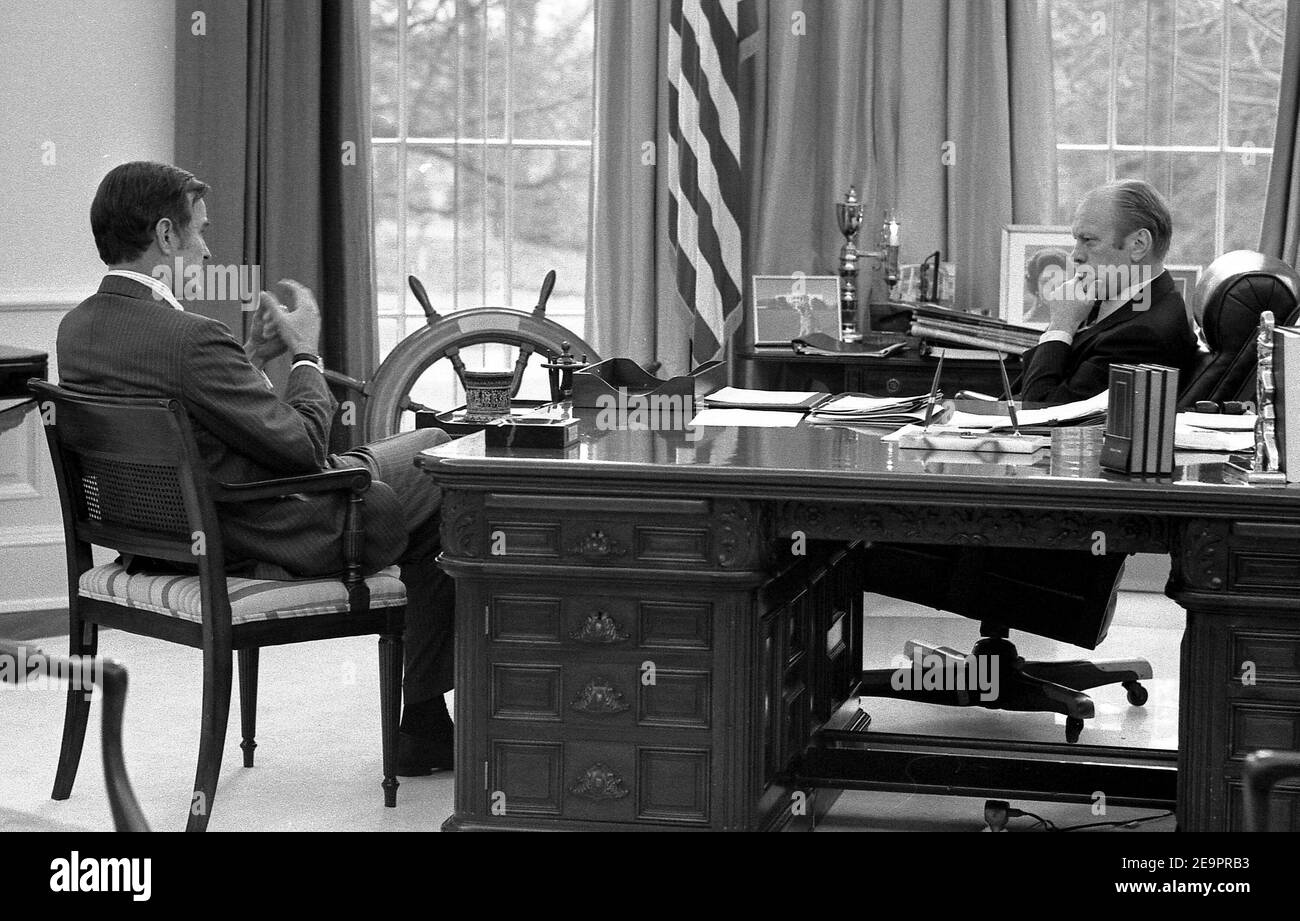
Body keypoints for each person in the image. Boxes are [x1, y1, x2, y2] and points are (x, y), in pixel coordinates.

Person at [57, 161, 453, 775]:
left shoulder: (78, 328)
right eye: (200, 232)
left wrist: (249, 358)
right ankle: (426, 718)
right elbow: (305, 451)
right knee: (444, 461)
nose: (210, 248)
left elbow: (189, 420)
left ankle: (427, 724)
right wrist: (306, 353)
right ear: (166, 237)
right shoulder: (189, 337)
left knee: (427, 450)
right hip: (264, 526)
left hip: (165, 534)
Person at [867, 179, 1201, 655]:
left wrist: (1060, 324)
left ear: (1139, 245)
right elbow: (1038, 399)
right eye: (1075, 242)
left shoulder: (1145, 330)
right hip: (1046, 498)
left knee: (860, 526)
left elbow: (1043, 417)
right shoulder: (1130, 306)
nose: (1077, 257)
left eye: (1089, 242)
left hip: (1054, 537)